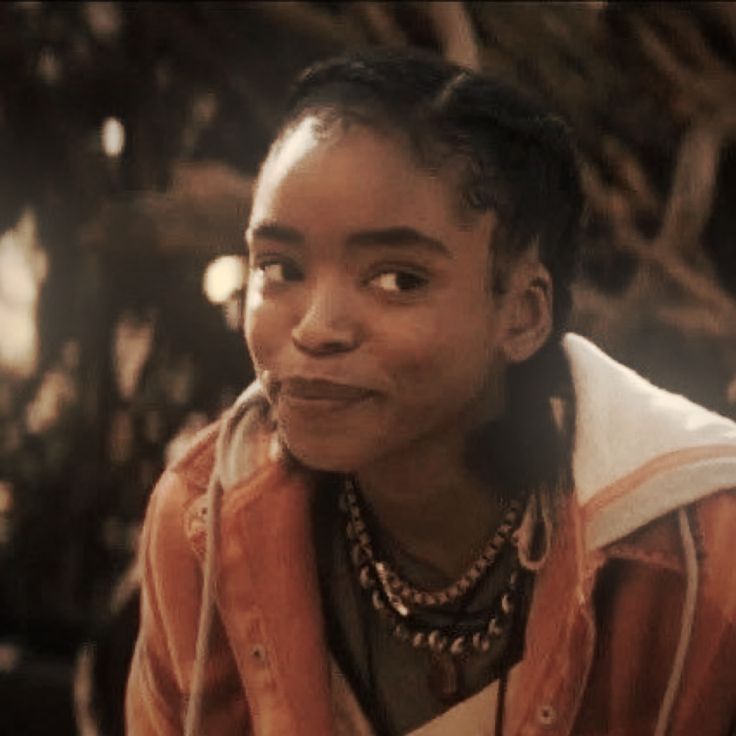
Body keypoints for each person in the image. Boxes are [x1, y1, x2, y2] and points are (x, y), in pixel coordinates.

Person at [125, 49, 736, 736]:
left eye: (398, 279)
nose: (317, 328)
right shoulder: (203, 518)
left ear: (523, 314)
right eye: (280, 267)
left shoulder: (704, 548)